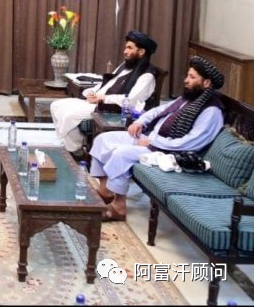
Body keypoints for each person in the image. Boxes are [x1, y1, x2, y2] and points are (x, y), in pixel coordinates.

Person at [91, 56, 225, 222]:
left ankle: (119, 207)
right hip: (150, 138)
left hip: (168, 152)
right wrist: (140, 122)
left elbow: (191, 143)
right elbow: (158, 111)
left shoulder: (211, 111)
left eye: (192, 77)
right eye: (187, 75)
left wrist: (154, 143)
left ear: (206, 83)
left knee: (122, 154)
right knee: (102, 139)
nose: (186, 80)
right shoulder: (188, 98)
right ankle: (105, 192)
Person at [50, 30, 158, 155]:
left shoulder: (147, 76)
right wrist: (92, 92)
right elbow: (108, 83)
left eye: (129, 48)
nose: (125, 51)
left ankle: (75, 151)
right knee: (55, 105)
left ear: (141, 52)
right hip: (97, 101)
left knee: (69, 116)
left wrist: (103, 98)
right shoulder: (125, 65)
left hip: (110, 109)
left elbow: (132, 101)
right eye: (125, 48)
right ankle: (73, 145)